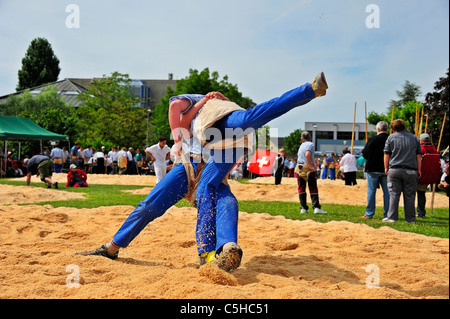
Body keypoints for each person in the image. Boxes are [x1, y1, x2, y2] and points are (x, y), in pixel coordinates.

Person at [383, 119, 422, 223]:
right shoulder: (414, 138)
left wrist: (386, 167)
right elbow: (419, 155)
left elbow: (387, 154)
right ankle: (410, 219)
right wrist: (419, 169)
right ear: (404, 126)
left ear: (393, 128)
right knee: (410, 195)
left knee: (394, 194)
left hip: (394, 169)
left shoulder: (390, 137)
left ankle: (392, 217)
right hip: (411, 170)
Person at [361, 121, 390, 219]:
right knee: (387, 192)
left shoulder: (373, 139)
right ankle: (388, 213)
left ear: (378, 129)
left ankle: (369, 213)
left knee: (371, 192)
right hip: (386, 169)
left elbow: (365, 153)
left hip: (372, 169)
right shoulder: (390, 139)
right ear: (387, 129)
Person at [296, 131, 328, 215]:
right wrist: (311, 166)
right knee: (313, 186)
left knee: (301, 187)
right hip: (307, 168)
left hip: (299, 167)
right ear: (310, 138)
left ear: (301, 139)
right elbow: (307, 155)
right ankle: (316, 207)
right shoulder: (310, 144)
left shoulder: (301, 145)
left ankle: (303, 208)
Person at [416, 133, 440, 217]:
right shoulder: (434, 149)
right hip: (429, 176)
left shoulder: (420, 148)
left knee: (411, 194)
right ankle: (421, 212)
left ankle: (415, 212)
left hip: (418, 174)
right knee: (421, 194)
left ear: (421, 141)